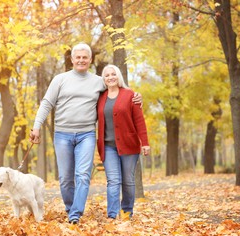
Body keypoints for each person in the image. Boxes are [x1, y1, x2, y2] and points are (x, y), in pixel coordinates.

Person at [29, 43, 141, 224]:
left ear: (90, 60)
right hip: (62, 135)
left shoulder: (98, 82)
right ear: (72, 60)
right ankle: (70, 208)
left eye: (84, 57)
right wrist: (36, 126)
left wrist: (135, 97)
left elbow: (117, 92)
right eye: (78, 57)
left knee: (82, 175)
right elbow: (47, 103)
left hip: (86, 135)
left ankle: (75, 215)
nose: (81, 60)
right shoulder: (60, 79)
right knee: (65, 178)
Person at [97, 64, 150, 220]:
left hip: (129, 145)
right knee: (113, 181)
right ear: (104, 79)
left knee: (128, 181)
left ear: (118, 76)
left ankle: (126, 213)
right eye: (107, 75)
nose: (111, 77)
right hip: (108, 147)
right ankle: (112, 216)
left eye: (113, 74)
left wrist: (145, 143)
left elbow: (139, 121)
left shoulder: (130, 95)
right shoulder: (100, 97)